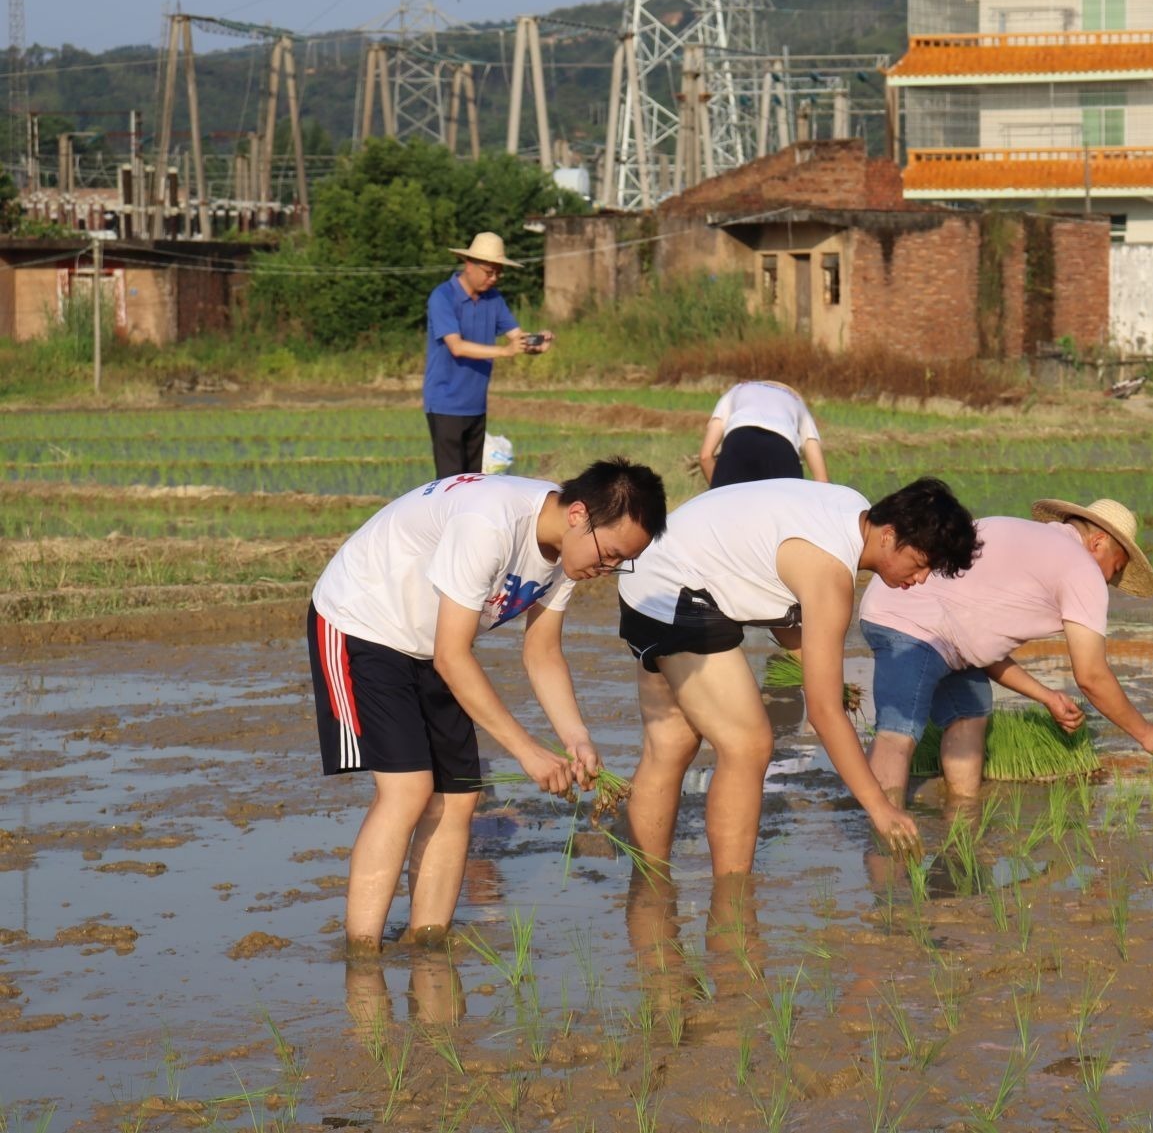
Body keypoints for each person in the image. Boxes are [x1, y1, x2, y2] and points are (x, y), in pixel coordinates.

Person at [308, 458, 666, 953]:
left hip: (432, 641)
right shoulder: (491, 524)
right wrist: (528, 751)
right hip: (363, 621)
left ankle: (426, 940)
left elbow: (541, 652)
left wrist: (575, 737)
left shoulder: (566, 550)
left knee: (460, 795)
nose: (606, 571)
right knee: (408, 790)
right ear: (579, 514)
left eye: (619, 563)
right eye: (609, 556)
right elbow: (452, 657)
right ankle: (362, 953)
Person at [616, 477, 980, 876]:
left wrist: (825, 680)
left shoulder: (848, 507)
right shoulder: (831, 572)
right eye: (922, 562)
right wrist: (880, 808)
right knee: (748, 745)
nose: (922, 578)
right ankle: (732, 901)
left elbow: (770, 587)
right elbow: (824, 714)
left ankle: (649, 890)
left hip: (647, 576)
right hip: (676, 590)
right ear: (891, 536)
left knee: (670, 747)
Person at [858, 497, 1153, 803]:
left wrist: (1047, 696)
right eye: (1117, 567)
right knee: (899, 731)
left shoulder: (1029, 541)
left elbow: (980, 648)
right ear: (1098, 544)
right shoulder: (1081, 568)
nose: (1111, 580)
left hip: (925, 624)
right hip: (906, 621)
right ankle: (881, 834)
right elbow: (1092, 676)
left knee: (970, 712)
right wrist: (1146, 733)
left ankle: (963, 815)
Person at [424, 231, 553, 479]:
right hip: (446, 403)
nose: (494, 278)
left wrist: (535, 345)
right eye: (489, 271)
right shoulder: (443, 297)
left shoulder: (493, 299)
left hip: (476, 404)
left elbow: (516, 336)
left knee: (473, 482)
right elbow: (457, 346)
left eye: (499, 272)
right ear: (469, 265)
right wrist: (505, 351)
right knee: (450, 484)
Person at [700, 380, 828, 487]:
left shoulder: (736, 390)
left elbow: (705, 457)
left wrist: (718, 492)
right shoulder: (797, 401)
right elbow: (821, 480)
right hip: (782, 448)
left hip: (739, 440)